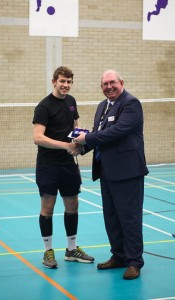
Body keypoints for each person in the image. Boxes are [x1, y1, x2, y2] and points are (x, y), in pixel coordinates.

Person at [74, 70, 149, 280]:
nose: (109, 86)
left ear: (121, 82)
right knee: (112, 217)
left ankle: (135, 261)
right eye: (105, 84)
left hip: (128, 171)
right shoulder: (102, 106)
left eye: (112, 82)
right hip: (107, 170)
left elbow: (116, 132)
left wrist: (85, 140)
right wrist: (80, 147)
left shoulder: (131, 103)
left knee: (129, 218)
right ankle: (119, 255)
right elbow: (99, 136)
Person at [32, 66, 94, 269]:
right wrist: (65, 145)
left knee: (72, 205)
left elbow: (75, 126)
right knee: (47, 209)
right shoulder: (44, 106)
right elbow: (38, 137)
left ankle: (71, 249)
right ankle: (48, 252)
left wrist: (79, 141)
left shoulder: (71, 101)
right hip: (48, 164)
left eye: (69, 82)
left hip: (69, 164)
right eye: (62, 81)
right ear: (54, 82)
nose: (66, 85)